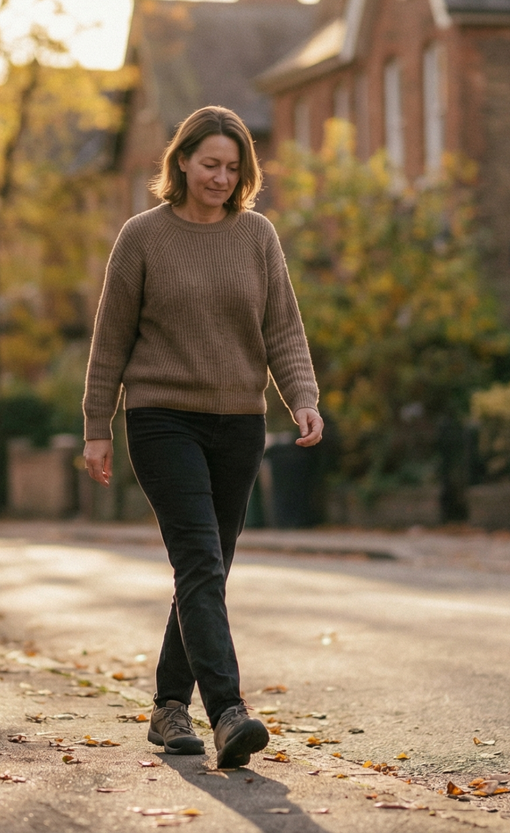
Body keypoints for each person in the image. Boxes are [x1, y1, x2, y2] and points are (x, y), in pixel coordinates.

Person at [82, 106, 323, 769]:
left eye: (233, 167)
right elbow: (110, 340)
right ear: (182, 161)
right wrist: (97, 428)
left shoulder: (257, 236)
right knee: (199, 560)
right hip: (161, 418)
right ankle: (227, 711)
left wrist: (303, 398)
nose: (221, 177)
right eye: (210, 163)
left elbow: (282, 328)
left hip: (239, 423)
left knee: (207, 569)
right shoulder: (142, 236)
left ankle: (168, 706)